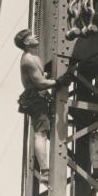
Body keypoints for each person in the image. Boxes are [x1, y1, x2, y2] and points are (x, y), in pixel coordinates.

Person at [15, 29, 63, 185]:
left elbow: (41, 78)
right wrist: (59, 81)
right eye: (31, 36)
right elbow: (40, 83)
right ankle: (45, 171)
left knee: (44, 132)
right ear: (27, 42)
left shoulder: (34, 57)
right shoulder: (28, 59)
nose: (35, 36)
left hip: (39, 96)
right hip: (35, 97)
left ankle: (45, 169)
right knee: (40, 133)